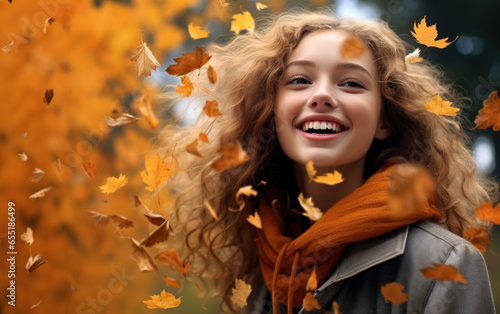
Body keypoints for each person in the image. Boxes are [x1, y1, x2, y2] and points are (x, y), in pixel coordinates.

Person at [159, 10, 498, 314]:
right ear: (270, 111)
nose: (321, 95)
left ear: (384, 121)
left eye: (351, 83)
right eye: (299, 80)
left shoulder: (445, 265)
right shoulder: (265, 266)